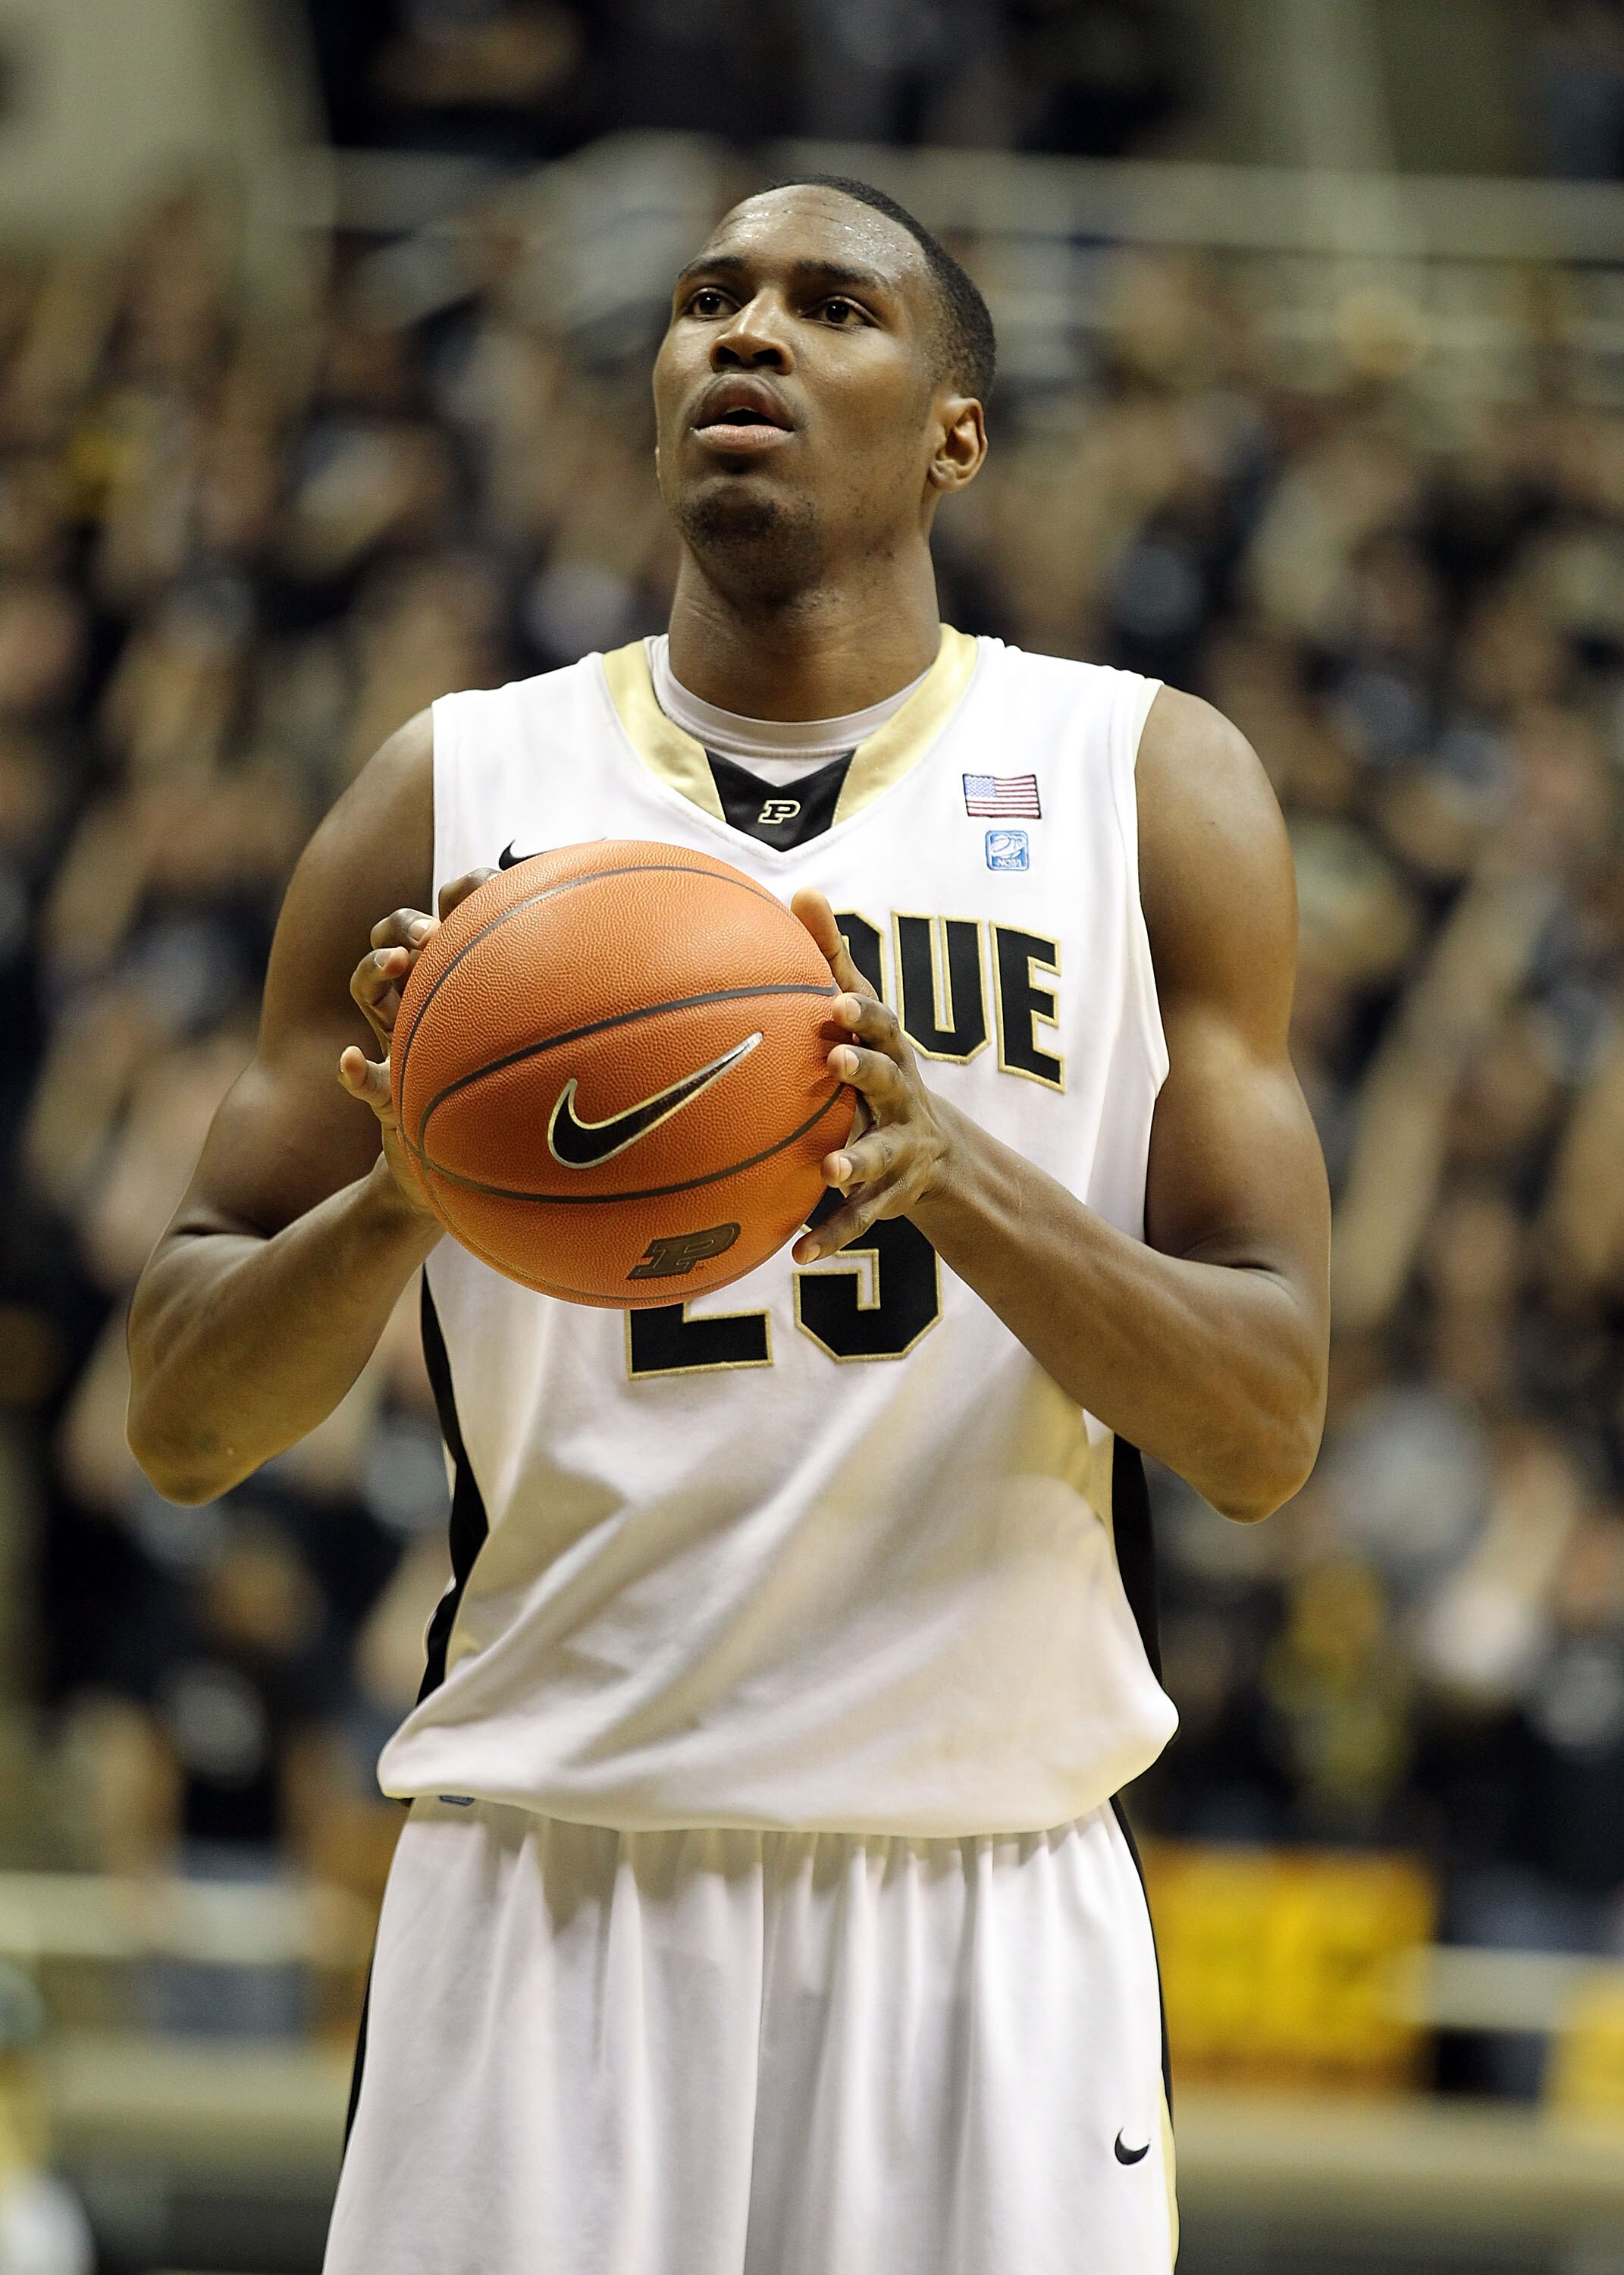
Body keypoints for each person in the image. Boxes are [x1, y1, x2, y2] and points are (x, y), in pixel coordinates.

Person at [126, 175, 1330, 2275]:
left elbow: (1260, 1430)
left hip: (985, 1887)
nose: (744, 336)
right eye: (706, 301)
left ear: (955, 428)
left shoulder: (1148, 784)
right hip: (552, 1880)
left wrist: (959, 1178)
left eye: (829, 305)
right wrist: (403, 1198)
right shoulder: (454, 788)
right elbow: (181, 1423)